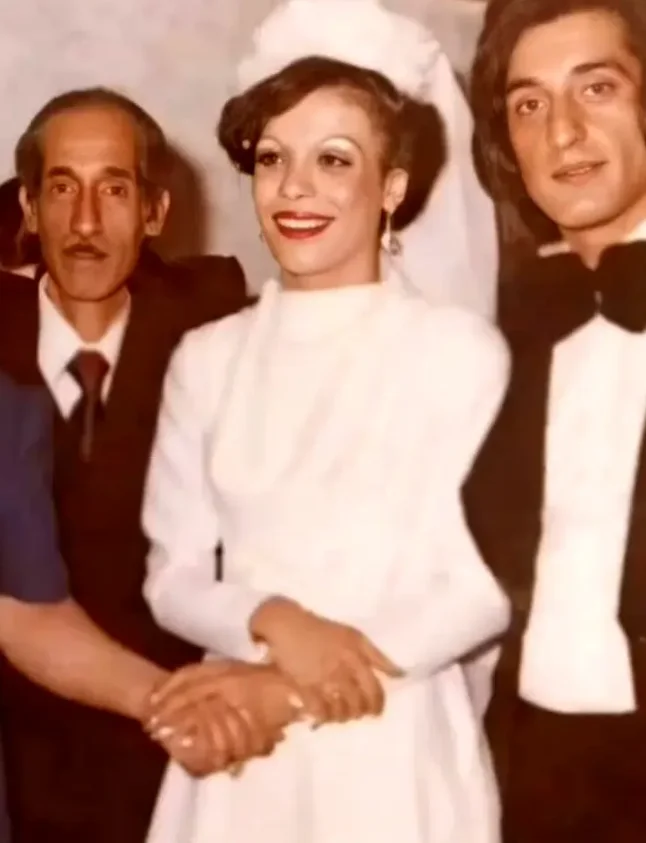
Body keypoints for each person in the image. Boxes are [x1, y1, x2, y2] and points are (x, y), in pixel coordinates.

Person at [140, 2, 511, 841]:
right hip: (240, 748)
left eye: (333, 160)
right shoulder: (207, 357)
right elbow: (172, 577)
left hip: (393, 736)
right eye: (273, 158)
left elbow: (483, 583)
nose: (295, 188)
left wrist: (290, 689)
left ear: (393, 188)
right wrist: (275, 621)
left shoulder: (458, 353)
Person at [0, 87, 249, 843]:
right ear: (28, 209)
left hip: (185, 760)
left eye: (113, 190)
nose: (85, 223)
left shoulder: (219, 338)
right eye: (61, 189)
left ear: (155, 213)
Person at [464, 0, 646, 839]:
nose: (562, 133)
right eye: (529, 104)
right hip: (533, 766)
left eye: (597, 88)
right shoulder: (499, 333)